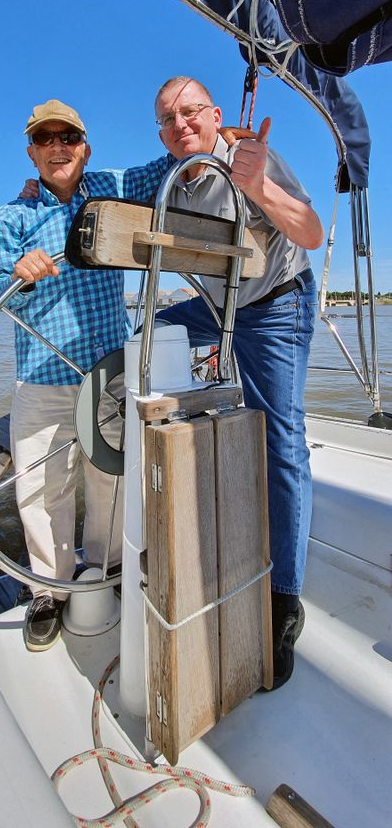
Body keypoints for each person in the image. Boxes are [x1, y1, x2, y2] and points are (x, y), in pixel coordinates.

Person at [0, 99, 172, 652]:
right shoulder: (9, 218)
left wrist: (211, 134)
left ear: (85, 148)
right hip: (41, 380)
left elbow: (164, 168)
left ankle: (106, 569)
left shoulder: (108, 187)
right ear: (32, 152)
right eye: (46, 139)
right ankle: (49, 589)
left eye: (68, 137)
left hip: (107, 373)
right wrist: (20, 272)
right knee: (41, 489)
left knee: (109, 478)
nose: (58, 147)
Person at [154, 76, 323, 689]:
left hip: (277, 302)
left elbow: (310, 231)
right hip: (220, 309)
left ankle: (284, 601)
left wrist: (258, 187)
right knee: (152, 332)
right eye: (169, 120)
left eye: (191, 112)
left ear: (215, 113)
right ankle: (198, 418)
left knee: (283, 442)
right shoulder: (174, 180)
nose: (182, 125)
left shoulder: (248, 152)